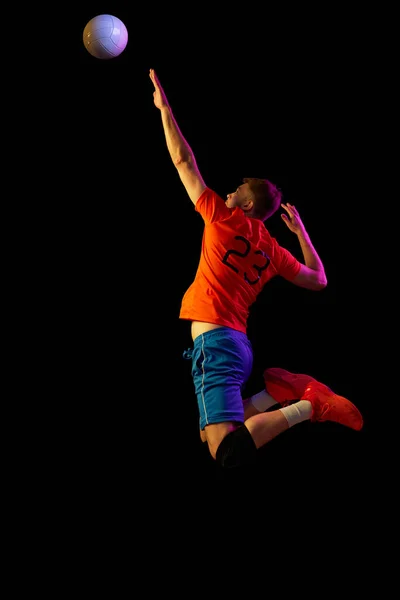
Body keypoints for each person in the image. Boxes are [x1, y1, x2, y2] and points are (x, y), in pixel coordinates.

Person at [149, 68, 363, 469]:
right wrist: (301, 233)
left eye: (236, 192)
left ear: (246, 207)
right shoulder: (273, 250)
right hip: (230, 345)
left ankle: (307, 404)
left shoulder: (222, 217)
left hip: (217, 345)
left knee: (224, 451)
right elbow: (319, 279)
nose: (227, 192)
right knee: (209, 434)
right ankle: (274, 393)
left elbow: (182, 159)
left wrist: (165, 109)